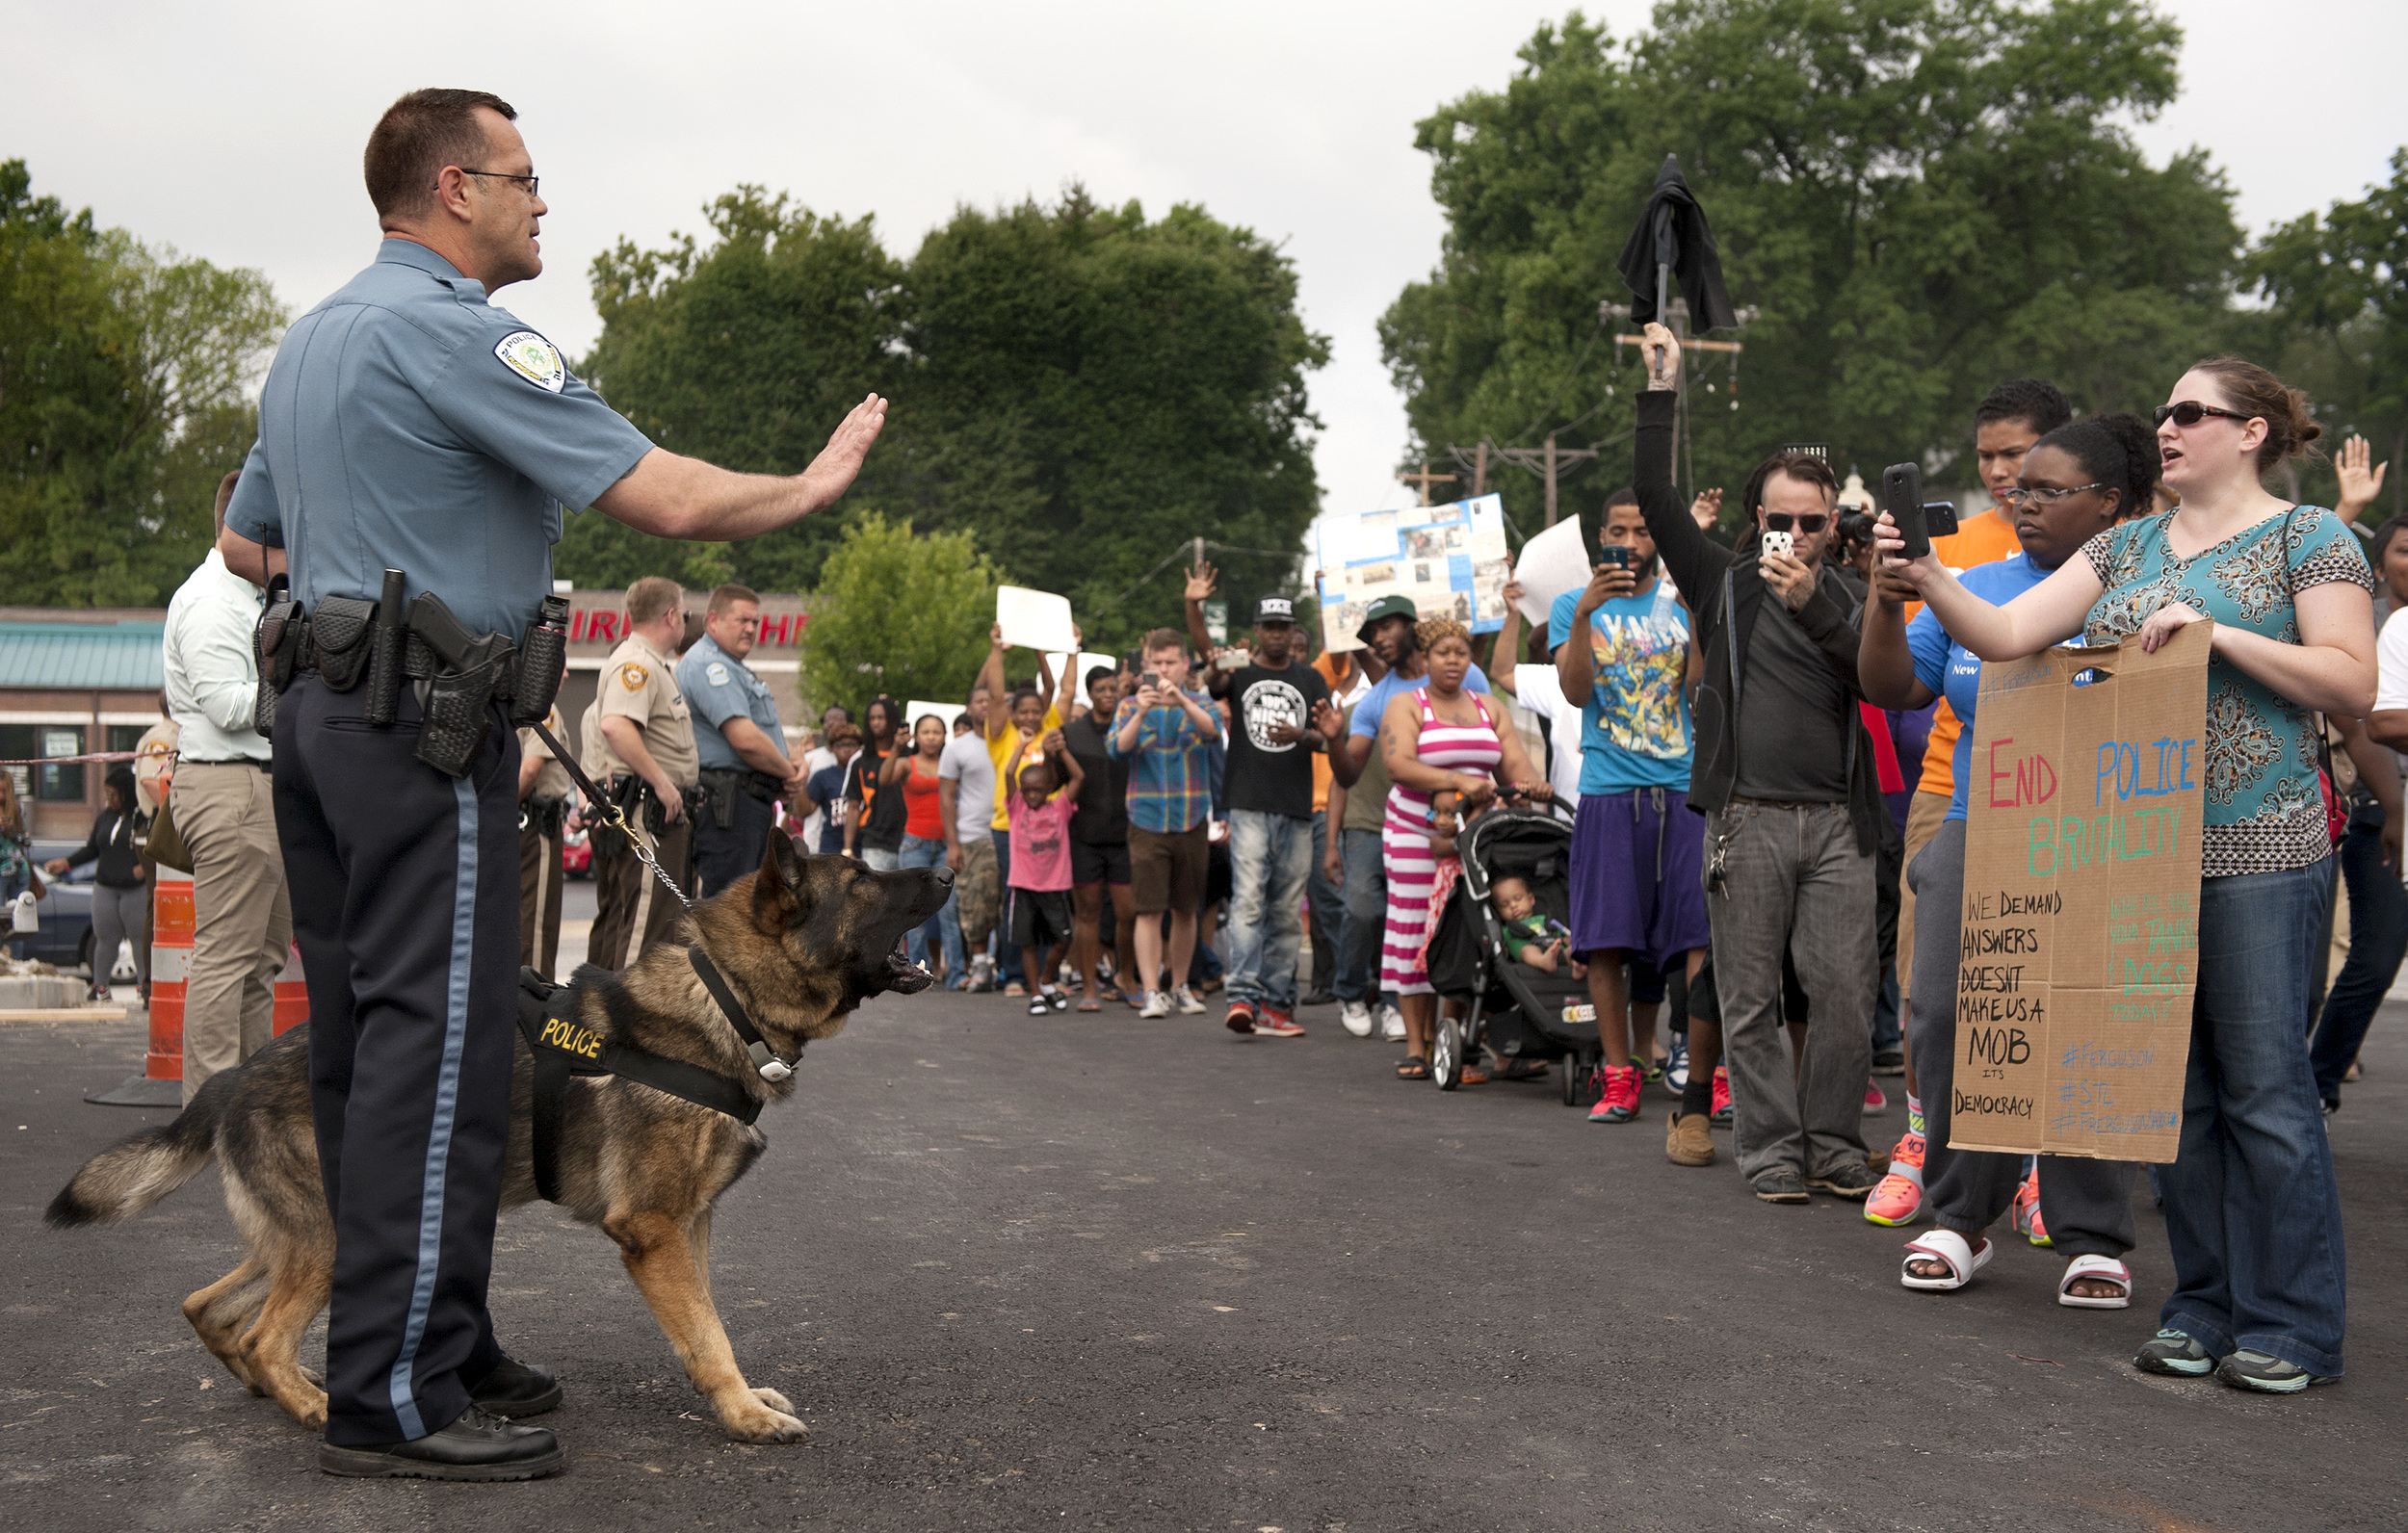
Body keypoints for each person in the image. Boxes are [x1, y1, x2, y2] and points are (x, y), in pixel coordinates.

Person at [218, 87, 884, 1476]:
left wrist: (374, 585)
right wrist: (813, 485)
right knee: (443, 1048)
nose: (541, 200)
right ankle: (395, 1394)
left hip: (328, 725)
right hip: (423, 735)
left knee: (376, 1043)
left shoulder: (313, 341)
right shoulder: (457, 331)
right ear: (454, 189)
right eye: (521, 177)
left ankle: (441, 1343)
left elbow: (243, 544)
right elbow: (675, 501)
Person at [1889, 353, 2372, 1392]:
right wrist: (1926, 581)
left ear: (2250, 432)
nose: (2167, 424)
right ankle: (2201, 1305)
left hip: (2262, 849)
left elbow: (2350, 679)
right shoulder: (2127, 544)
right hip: (2138, 857)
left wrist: (2221, 634)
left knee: (2266, 1095)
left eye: (2192, 412)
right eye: (2164, 410)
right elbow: (2011, 631)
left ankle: (2292, 1324)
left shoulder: (2308, 536)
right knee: (2178, 1100)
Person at [1861, 414, 2154, 1303]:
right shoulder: (1977, 584)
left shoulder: (2149, 586)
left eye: (2048, 491)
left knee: (2080, 1024)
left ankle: (2091, 1235)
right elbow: (1890, 688)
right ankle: (1961, 1220)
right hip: (1984, 817)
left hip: (2106, 830)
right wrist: (1885, 595)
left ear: (2111, 503)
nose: (2022, 504)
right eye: (2018, 489)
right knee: (1949, 1008)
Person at [1631, 322, 1881, 1205]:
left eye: (1815, 522)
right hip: (1748, 819)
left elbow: (1880, 680)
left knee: (1846, 995)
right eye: (1782, 520)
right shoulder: (1720, 582)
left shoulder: (1854, 592)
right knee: (1747, 999)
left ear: (1831, 525)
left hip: (1841, 826)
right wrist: (1661, 389)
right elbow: (1653, 498)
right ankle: (1771, 1150)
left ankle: (1837, 1145)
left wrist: (1820, 605)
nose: (1798, 534)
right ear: (1757, 519)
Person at [1878, 377, 2074, 1224]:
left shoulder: (2104, 552)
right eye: (1988, 455)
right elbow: (1903, 680)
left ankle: (2038, 1164)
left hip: (2066, 803)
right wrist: (1884, 596)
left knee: (2042, 987)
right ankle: (1925, 1140)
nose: (2002, 474)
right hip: (1950, 794)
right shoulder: (1952, 548)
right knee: (1930, 991)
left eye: (2019, 456)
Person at [1545, 485, 1712, 1135]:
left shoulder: (1677, 601)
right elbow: (1575, 688)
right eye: (1620, 531)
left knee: (1698, 936)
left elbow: (1697, 682)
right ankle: (1620, 1073)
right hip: (1611, 790)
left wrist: (1695, 608)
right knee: (1608, 938)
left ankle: (1705, 1076)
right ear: (1601, 538)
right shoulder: (1571, 606)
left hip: (1681, 788)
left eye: (1645, 532)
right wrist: (1586, 614)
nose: (1632, 545)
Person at [165, 467, 291, 1104]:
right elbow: (221, 703)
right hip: (230, 786)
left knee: (260, 962)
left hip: (251, 787)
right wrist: (302, 690)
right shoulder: (212, 602)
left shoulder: (244, 597)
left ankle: (245, 1107)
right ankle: (208, 1113)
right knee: (227, 960)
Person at [1378, 615, 1548, 1077]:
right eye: (1441, 653)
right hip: (1417, 831)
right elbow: (1398, 765)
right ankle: (1419, 1044)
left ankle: (1466, 1042)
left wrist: (1537, 786)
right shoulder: (1406, 704)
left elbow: (1515, 766)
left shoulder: (1489, 706)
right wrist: (1457, 780)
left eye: (1460, 652)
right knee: (1415, 930)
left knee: (1470, 932)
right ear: (1424, 658)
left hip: (1476, 836)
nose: (1453, 660)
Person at [1334, 596, 1493, 1045]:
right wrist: (1330, 739)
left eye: (1386, 627)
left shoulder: (1469, 677)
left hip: (1471, 824)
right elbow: (1352, 772)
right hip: (1405, 825)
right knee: (1405, 924)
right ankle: (1411, 1033)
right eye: (1371, 635)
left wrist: (1522, 784)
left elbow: (1491, 730)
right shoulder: (1383, 701)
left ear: (1412, 627)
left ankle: (1462, 1033)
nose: (1379, 639)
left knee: (1466, 924)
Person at [1184, 571, 1337, 1039]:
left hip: (1296, 808)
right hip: (1248, 803)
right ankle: (1243, 998)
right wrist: (1193, 606)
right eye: (1268, 627)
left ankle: (1276, 1003)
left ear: (1293, 632)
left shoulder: (1310, 678)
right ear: (1258, 631)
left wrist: (1303, 736)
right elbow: (1210, 659)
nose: (1276, 635)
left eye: (1283, 627)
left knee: (1287, 911)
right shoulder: (1240, 673)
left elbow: (1328, 739)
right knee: (1249, 901)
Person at [585, 577, 701, 970]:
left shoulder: (650, 663)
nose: (685, 621)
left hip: (657, 813)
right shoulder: (636, 663)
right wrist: (663, 783)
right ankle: (620, 1028)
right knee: (643, 933)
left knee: (655, 927)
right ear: (671, 616)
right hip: (648, 811)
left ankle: (630, 1026)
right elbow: (616, 725)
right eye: (684, 613)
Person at [1108, 628, 1221, 1018]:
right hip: (1147, 818)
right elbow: (1118, 749)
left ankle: (1181, 985)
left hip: (1191, 817)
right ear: (1146, 667)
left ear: (1185, 664)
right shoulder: (1128, 706)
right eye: (1156, 664)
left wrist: (1184, 702)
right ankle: (1152, 990)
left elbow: (1214, 732)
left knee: (1186, 909)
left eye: (1170, 662)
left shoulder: (1201, 702)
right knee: (1149, 910)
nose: (1164, 670)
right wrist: (1142, 710)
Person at [2334, 517, 2408, 1109]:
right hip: (2376, 808)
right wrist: (2393, 808)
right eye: (2404, 551)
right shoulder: (2366, 628)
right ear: (2378, 566)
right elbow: (2372, 727)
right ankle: (2318, 1086)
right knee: (2375, 959)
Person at [678, 584, 799, 896]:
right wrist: (789, 773)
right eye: (742, 620)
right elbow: (744, 740)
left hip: (743, 804)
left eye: (755, 622)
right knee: (730, 912)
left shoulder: (734, 667)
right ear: (713, 620)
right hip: (728, 807)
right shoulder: (711, 665)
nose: (750, 629)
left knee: (746, 907)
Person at [1062, 666, 1136, 1010]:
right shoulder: (1072, 733)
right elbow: (1055, 785)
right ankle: (1089, 987)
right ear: (1089, 693)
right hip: (1085, 836)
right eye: (1100, 688)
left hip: (1127, 833)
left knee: (1130, 913)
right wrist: (1052, 753)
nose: (1108, 693)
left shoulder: (1131, 726)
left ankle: (1127, 977)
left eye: (1113, 688)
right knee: (1088, 914)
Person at [47, 766, 151, 1002]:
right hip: (105, 886)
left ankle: (145, 988)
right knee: (105, 937)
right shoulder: (105, 817)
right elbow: (92, 848)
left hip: (133, 889)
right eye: (106, 795)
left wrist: (144, 868)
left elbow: (154, 848)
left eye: (113, 795)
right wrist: (66, 862)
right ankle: (100, 987)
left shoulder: (142, 816)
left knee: (139, 938)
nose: (109, 799)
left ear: (126, 793)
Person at [1303, 639, 1369, 1005]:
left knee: (1349, 900)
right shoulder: (1323, 689)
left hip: (1352, 807)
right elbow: (1337, 648)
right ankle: (1348, 979)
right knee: (1327, 902)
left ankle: (1357, 980)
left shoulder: (1374, 692)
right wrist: (1328, 600)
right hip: (1319, 804)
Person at [1006, 736, 1084, 1013]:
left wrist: (1061, 750)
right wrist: (1021, 746)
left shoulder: (1059, 807)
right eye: (1026, 791)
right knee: (1028, 943)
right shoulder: (1017, 808)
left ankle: (1048, 980)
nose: (1031, 796)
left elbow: (1078, 776)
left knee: (1063, 939)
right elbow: (1007, 773)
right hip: (1024, 887)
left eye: (1038, 790)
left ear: (1049, 788)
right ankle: (1037, 994)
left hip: (1053, 887)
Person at [938, 683, 1003, 991]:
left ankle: (1007, 968)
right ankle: (979, 966)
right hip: (973, 835)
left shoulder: (1010, 739)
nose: (985, 705)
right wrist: (953, 843)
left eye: (990, 699)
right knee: (975, 904)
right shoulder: (957, 747)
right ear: (969, 708)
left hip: (1010, 832)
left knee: (1009, 904)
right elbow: (947, 797)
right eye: (978, 700)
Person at [515, 703, 572, 981]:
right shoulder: (541, 706)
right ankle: (531, 1010)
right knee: (536, 925)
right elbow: (530, 769)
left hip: (515, 823)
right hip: (534, 825)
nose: (565, 675)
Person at [895, 711, 953, 975]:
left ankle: (956, 975)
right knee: (915, 913)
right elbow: (884, 779)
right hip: (915, 844)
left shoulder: (950, 763)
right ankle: (915, 971)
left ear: (944, 736)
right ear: (917, 736)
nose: (931, 737)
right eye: (926, 732)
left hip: (947, 844)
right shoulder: (907, 763)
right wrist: (896, 748)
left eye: (937, 732)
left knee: (949, 911)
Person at [842, 695, 907, 870]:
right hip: (875, 842)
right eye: (872, 718)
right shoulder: (860, 762)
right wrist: (847, 848)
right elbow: (853, 806)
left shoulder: (910, 755)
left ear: (892, 720)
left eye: (881, 717)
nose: (876, 722)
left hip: (911, 841)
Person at [1494, 874, 1582, 976]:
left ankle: (1580, 967)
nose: (1513, 906)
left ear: (1531, 899)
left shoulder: (1546, 919)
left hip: (1557, 950)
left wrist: (1570, 941)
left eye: (1518, 899)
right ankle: (1544, 961)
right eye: (1505, 905)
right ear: (1498, 912)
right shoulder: (1505, 930)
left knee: (1575, 948)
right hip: (1533, 953)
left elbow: (1562, 935)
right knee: (1528, 950)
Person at [796, 721, 861, 856]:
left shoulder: (866, 773)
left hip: (863, 846)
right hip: (831, 848)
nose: (847, 750)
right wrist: (801, 778)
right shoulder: (823, 776)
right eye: (840, 745)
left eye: (852, 745)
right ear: (831, 748)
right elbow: (804, 812)